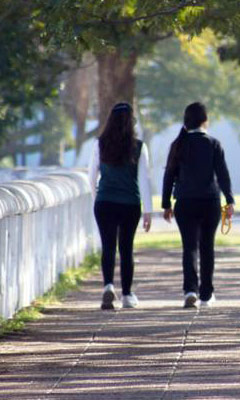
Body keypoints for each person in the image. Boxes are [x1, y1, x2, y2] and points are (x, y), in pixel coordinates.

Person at [162, 102, 235, 309]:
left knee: (189, 247)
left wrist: (166, 203)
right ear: (205, 121)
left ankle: (190, 290)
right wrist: (229, 200)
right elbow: (223, 175)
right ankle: (206, 294)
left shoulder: (178, 144)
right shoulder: (213, 144)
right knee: (207, 247)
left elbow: (169, 175)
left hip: (184, 202)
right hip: (209, 202)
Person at [88, 102, 153, 310]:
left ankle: (108, 285)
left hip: (105, 202)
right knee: (126, 248)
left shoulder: (100, 144)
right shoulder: (139, 147)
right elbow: (144, 180)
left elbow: (91, 176)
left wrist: (96, 196)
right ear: (131, 122)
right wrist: (148, 211)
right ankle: (127, 294)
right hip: (129, 204)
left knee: (108, 246)